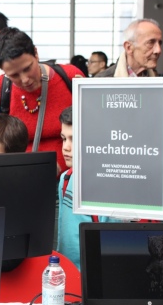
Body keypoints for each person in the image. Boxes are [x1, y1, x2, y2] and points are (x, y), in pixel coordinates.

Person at [0, 27, 83, 173]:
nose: (25, 79)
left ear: (36, 53)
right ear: (2, 69)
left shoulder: (71, 77)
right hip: (21, 181)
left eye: (27, 68)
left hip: (71, 183)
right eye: (14, 75)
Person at [56, 106, 120, 269]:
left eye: (73, 139)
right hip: (66, 273)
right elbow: (62, 235)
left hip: (93, 277)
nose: (66, 147)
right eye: (64, 139)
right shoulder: (65, 178)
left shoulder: (108, 188)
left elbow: (112, 246)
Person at [95, 18, 162, 77]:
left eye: (160, 43)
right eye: (150, 43)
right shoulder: (102, 82)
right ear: (129, 47)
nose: (158, 50)